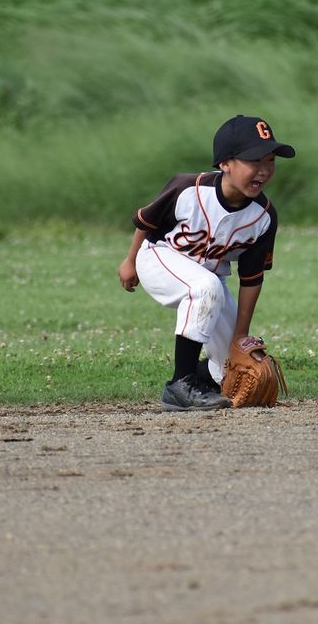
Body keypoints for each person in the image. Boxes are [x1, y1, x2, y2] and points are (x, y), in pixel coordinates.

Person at [118, 115, 295, 411]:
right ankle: (180, 383)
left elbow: (251, 278)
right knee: (205, 287)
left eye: (270, 161)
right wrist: (130, 260)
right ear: (225, 163)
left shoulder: (263, 217)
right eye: (254, 161)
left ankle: (201, 381)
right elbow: (146, 220)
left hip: (208, 279)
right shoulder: (189, 189)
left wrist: (240, 337)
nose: (264, 171)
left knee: (231, 366)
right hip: (158, 257)